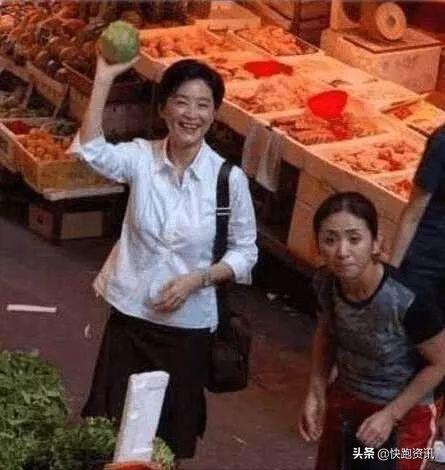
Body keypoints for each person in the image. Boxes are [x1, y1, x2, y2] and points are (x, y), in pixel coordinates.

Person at [70, 53, 258, 461]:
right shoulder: (141, 158)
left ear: (215, 114)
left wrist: (198, 279)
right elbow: (90, 150)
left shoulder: (228, 180)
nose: (191, 114)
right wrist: (103, 78)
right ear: (164, 108)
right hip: (131, 318)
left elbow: (246, 251)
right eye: (181, 101)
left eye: (203, 104)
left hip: (187, 329)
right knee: (110, 431)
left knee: (166, 443)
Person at [299, 192, 445, 470]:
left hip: (404, 417)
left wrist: (391, 415)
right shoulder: (326, 283)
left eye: (354, 239)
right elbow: (327, 332)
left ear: (376, 243)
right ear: (318, 246)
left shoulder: (407, 299)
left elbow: (441, 363)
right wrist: (315, 391)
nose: (342, 252)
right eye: (330, 240)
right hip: (346, 403)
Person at [391, 126, 445, 458]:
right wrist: (392, 276)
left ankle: (427, 430)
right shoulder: (442, 141)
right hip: (425, 264)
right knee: (409, 348)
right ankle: (390, 426)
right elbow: (412, 213)